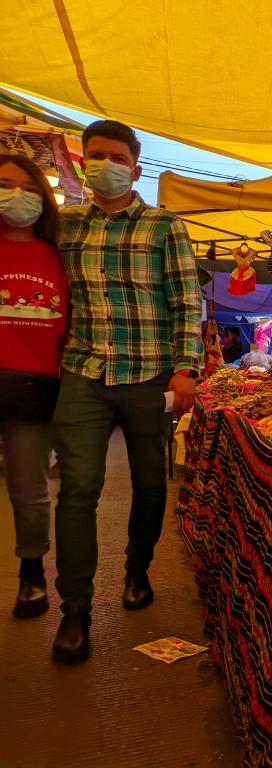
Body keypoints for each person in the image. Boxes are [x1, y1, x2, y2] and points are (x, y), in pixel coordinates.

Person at [51, 121, 203, 664]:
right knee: (77, 491)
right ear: (83, 163)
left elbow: (188, 302)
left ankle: (137, 567)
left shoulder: (165, 227)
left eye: (116, 157)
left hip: (150, 376)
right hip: (84, 373)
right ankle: (75, 612)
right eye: (95, 156)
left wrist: (187, 368)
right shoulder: (66, 226)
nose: (105, 164)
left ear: (136, 169)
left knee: (149, 485)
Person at [0, 153, 69, 619]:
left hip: (34, 385)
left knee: (28, 488)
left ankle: (32, 574)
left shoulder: (58, 256)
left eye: (29, 187)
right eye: (6, 184)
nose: (17, 195)